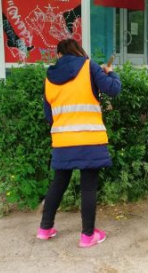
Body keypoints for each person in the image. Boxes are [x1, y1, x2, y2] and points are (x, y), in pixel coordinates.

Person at [36, 39, 121, 248]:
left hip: (62, 140)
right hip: (89, 139)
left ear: (59, 55)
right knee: (88, 188)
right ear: (79, 51)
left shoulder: (49, 77)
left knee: (59, 182)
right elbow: (114, 89)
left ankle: (45, 229)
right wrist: (110, 72)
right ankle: (87, 236)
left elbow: (49, 115)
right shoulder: (89, 66)